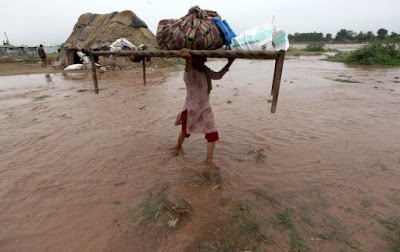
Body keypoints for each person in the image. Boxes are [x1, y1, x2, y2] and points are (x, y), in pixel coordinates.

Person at [175, 48, 234, 166]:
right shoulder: (190, 73)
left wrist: (230, 62)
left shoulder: (205, 71)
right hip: (191, 109)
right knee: (185, 132)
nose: (206, 59)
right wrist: (187, 59)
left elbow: (218, 76)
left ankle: (208, 162)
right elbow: (187, 70)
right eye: (203, 58)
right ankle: (177, 148)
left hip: (206, 109)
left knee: (212, 135)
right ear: (196, 60)